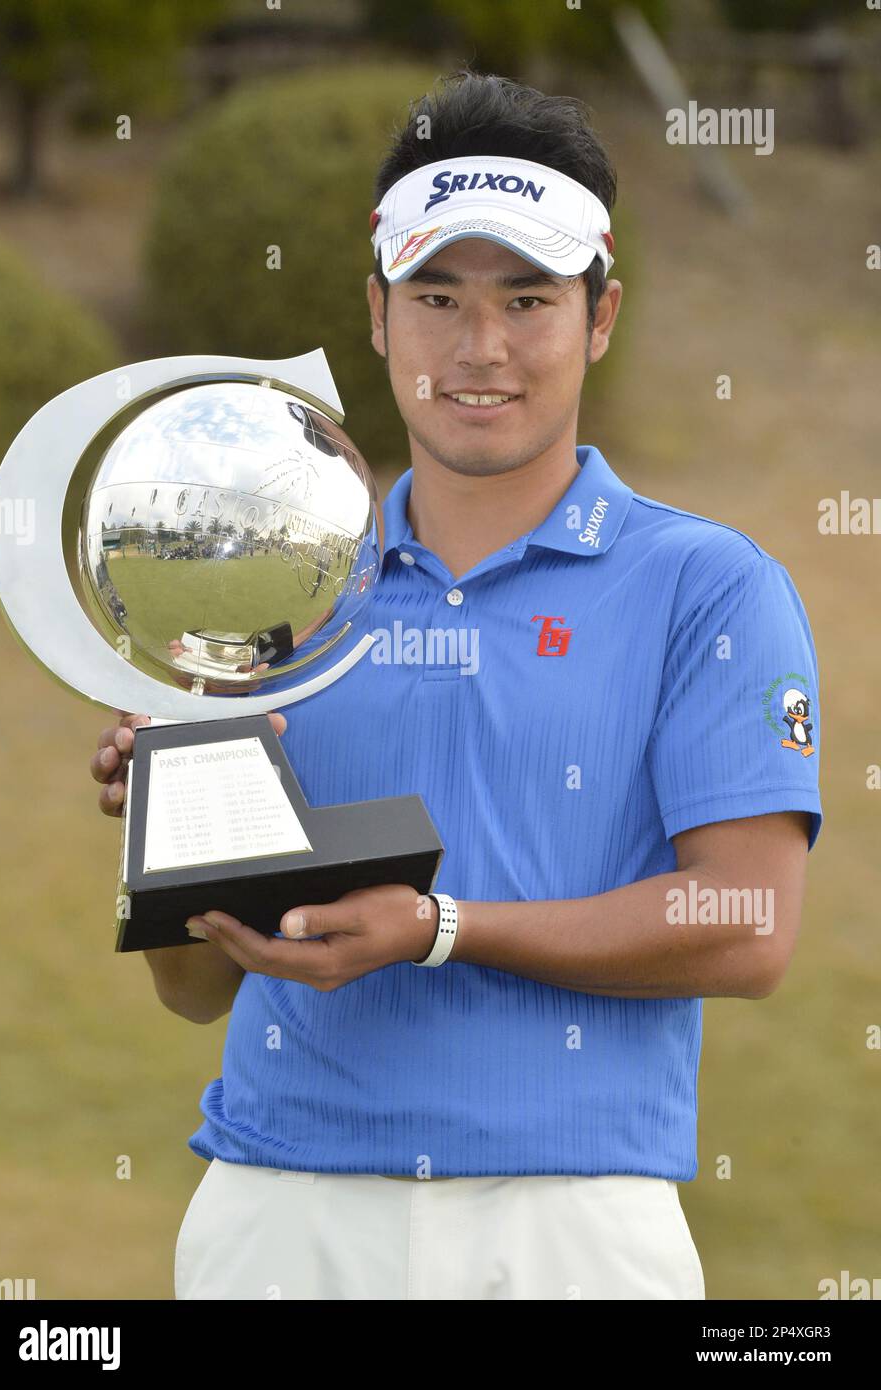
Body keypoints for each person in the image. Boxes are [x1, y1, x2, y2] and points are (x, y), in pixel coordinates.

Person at [91, 69, 822, 1301]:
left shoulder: (709, 586)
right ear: (378, 315)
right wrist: (178, 826)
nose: (480, 348)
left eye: (527, 298)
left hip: (570, 1224)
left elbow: (749, 923)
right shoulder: (267, 595)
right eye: (438, 296)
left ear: (600, 316)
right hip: (280, 1211)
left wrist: (443, 931)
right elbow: (195, 990)